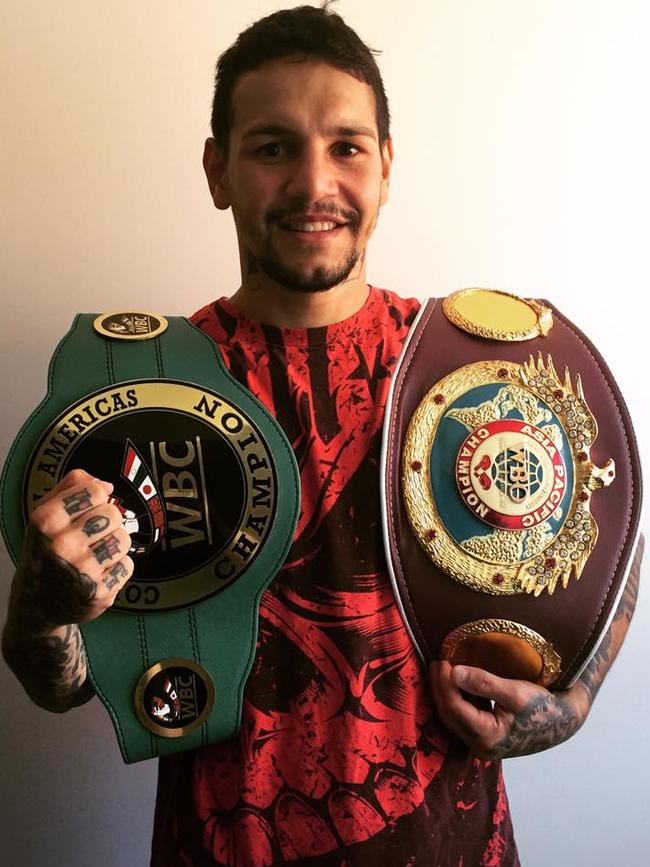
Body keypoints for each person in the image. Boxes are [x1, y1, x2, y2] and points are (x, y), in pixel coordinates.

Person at [1, 4, 643, 866]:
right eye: (273, 147)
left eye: (346, 146)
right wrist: (48, 605)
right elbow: (67, 684)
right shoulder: (143, 389)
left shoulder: (467, 364)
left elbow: (610, 516)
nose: (313, 184)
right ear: (217, 169)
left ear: (386, 167)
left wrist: (576, 699)